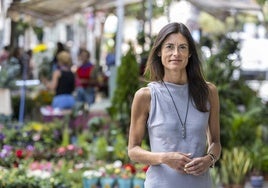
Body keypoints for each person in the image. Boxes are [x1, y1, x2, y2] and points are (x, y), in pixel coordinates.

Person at [128, 22, 221, 188]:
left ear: (190, 52)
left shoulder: (209, 92)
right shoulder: (146, 96)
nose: (176, 53)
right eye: (169, 47)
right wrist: (164, 158)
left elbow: (215, 143)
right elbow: (133, 150)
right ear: (159, 52)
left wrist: (209, 159)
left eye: (182, 47)